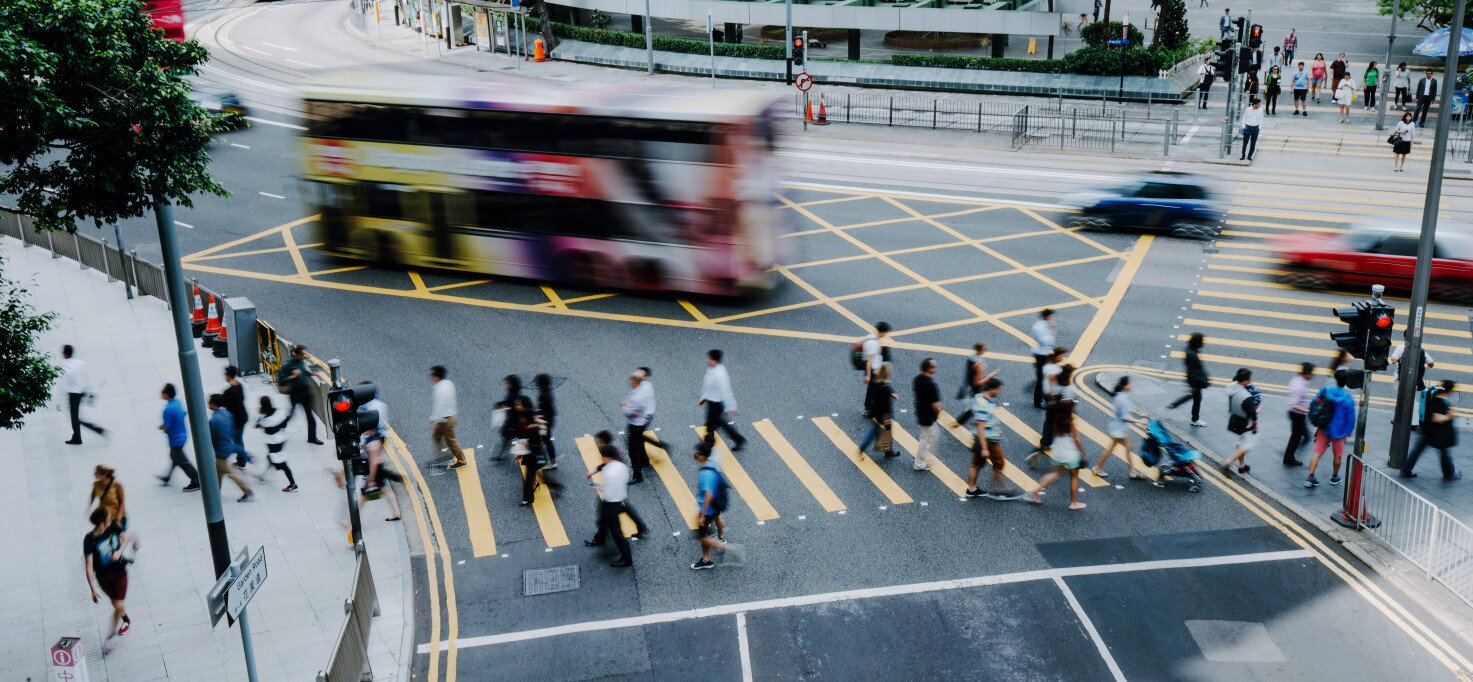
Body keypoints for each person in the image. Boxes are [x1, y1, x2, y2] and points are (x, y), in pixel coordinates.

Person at [83, 508, 133, 653]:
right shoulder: (89, 539)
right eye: (109, 518)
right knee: (116, 605)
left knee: (118, 604)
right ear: (102, 523)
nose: (111, 519)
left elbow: (126, 538)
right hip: (104, 578)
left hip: (119, 572)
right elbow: (89, 565)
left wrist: (118, 552)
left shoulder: (113, 526)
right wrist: (92, 589)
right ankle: (120, 626)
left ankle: (117, 630)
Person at [1026, 398, 1087, 510]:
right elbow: (1076, 440)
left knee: (1055, 474)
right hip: (1070, 453)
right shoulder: (1070, 422)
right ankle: (1074, 503)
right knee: (1074, 477)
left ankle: (1035, 492)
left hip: (1058, 451)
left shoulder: (1057, 419)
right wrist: (1082, 453)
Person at [968, 378, 1021, 500]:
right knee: (999, 462)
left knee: (976, 464)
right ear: (991, 389)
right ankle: (998, 489)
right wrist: (985, 448)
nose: (1000, 392)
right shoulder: (983, 404)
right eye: (998, 389)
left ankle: (972, 489)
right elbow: (980, 427)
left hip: (987, 437)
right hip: (988, 440)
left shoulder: (982, 398)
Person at [585, 445, 635, 567]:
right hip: (620, 497)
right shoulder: (621, 466)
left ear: (607, 457)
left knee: (616, 532)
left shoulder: (609, 472)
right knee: (602, 520)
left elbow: (607, 492)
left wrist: (599, 487)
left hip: (611, 502)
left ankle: (627, 559)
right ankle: (600, 539)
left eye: (602, 457)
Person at [1305, 370, 1357, 488]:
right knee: (1337, 455)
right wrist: (1348, 431)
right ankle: (1334, 477)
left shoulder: (1326, 390)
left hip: (1324, 427)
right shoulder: (1348, 398)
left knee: (1317, 452)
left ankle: (1310, 477)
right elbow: (1351, 419)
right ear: (1346, 382)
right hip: (1339, 432)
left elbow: (1314, 402)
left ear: (1335, 379)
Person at [1089, 376, 1148, 479]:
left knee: (1128, 448)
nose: (1132, 385)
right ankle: (1097, 467)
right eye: (1130, 383)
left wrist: (1140, 414)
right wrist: (1139, 421)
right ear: (1125, 386)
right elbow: (1125, 417)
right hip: (1119, 429)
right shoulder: (1121, 399)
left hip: (1120, 428)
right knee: (1112, 449)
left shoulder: (1123, 395)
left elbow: (1129, 408)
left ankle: (1132, 471)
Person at [691, 443, 738, 570]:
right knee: (718, 517)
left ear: (703, 456)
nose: (694, 454)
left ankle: (711, 557)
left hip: (707, 508)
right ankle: (721, 537)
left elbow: (708, 494)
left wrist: (703, 514)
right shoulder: (712, 464)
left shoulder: (705, 474)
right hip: (716, 505)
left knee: (702, 537)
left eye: (697, 453)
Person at [357, 389, 403, 521]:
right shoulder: (373, 438)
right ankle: (396, 512)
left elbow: (374, 461)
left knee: (365, 496)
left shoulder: (373, 442)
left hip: (375, 470)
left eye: (365, 428)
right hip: (378, 468)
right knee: (384, 489)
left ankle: (352, 522)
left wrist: (370, 479)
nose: (363, 430)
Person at [1402, 380, 1460, 480]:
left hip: (1428, 430)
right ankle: (1449, 473)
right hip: (1436, 432)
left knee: (1419, 449)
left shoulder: (1438, 396)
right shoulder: (1439, 401)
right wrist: (1448, 416)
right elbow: (1436, 418)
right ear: (1449, 391)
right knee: (1444, 452)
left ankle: (1406, 469)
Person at [208, 394, 255, 502]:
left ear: (214, 404)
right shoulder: (226, 413)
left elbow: (209, 437)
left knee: (229, 472)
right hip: (228, 445)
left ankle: (247, 491)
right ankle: (216, 490)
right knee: (218, 471)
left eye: (209, 402)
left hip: (221, 450)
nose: (208, 403)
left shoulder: (214, 420)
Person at [700, 349, 746, 451]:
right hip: (711, 402)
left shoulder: (720, 374)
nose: (707, 360)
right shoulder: (711, 369)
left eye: (709, 358)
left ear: (714, 360)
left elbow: (726, 392)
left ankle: (708, 446)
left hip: (717, 404)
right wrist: (704, 398)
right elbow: (708, 385)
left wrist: (732, 407)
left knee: (713, 424)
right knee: (716, 423)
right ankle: (738, 439)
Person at [58, 345, 106, 445]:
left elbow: (63, 386)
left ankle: (90, 433)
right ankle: (78, 436)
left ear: (65, 353)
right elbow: (86, 378)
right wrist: (90, 392)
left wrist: (60, 401)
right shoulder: (80, 363)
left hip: (73, 394)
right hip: (82, 392)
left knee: (75, 418)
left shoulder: (65, 368)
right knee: (76, 417)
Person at [157, 384, 200, 492]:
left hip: (175, 439)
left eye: (162, 392)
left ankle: (196, 479)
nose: (161, 394)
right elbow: (183, 413)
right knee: (175, 456)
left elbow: (167, 426)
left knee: (181, 460)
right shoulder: (177, 402)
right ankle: (167, 477)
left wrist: (161, 427)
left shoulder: (167, 410)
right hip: (183, 434)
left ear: (167, 395)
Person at [1029, 347, 1070, 459]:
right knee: (1053, 421)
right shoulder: (1052, 370)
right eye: (1062, 355)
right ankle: (1045, 444)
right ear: (1056, 356)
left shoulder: (1050, 365)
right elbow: (1052, 381)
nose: (1063, 357)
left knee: (1052, 420)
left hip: (1052, 397)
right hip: (1054, 397)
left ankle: (1047, 442)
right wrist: (1052, 396)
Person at [277, 345, 322, 445]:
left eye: (304, 354)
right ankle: (279, 427)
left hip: (305, 391)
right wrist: (292, 376)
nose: (303, 356)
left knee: (310, 416)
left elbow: (305, 371)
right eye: (302, 354)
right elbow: (281, 379)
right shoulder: (287, 364)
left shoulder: (301, 361)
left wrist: (312, 374)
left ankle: (312, 437)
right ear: (296, 354)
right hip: (295, 392)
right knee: (292, 413)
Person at [254, 396, 298, 492]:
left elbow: (257, 425)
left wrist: (259, 414)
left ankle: (293, 484)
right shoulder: (279, 412)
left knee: (281, 464)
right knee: (270, 457)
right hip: (281, 439)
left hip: (273, 443)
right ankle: (263, 476)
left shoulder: (265, 419)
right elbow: (285, 422)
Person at [510, 396, 548, 507]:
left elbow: (530, 442)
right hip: (532, 452)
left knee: (528, 478)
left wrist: (520, 451)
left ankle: (527, 499)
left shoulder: (532, 426)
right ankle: (534, 485)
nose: (516, 407)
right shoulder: (524, 417)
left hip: (533, 454)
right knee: (530, 474)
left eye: (518, 405)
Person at [1223, 368, 1260, 476]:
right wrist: (1255, 421)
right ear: (1244, 381)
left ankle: (1242, 465)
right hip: (1245, 422)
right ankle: (1228, 462)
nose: (1250, 381)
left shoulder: (1231, 387)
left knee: (1241, 441)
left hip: (1234, 419)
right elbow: (1253, 413)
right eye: (1249, 379)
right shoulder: (1246, 397)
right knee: (1248, 445)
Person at [429, 366, 468, 470]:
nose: (430, 377)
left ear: (436, 377)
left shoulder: (439, 389)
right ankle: (445, 454)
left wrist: (435, 421)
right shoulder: (448, 383)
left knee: (451, 440)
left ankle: (462, 460)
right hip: (448, 417)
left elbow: (439, 406)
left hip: (445, 419)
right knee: (436, 436)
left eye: (432, 375)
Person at [621, 368, 656, 484]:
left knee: (632, 450)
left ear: (636, 381)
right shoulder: (646, 385)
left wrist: (624, 405)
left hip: (636, 424)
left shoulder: (637, 398)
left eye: (631, 379)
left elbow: (628, 412)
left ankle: (638, 475)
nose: (629, 381)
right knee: (640, 440)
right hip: (645, 420)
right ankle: (645, 461)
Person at [858, 362, 900, 458]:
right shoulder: (885, 386)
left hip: (875, 411)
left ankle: (866, 447)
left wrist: (891, 393)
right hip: (883, 414)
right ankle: (887, 452)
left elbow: (887, 389)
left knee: (876, 430)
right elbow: (885, 404)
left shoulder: (878, 380)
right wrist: (886, 418)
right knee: (885, 430)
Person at [1167, 333, 1209, 426]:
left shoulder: (1190, 349)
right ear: (1197, 343)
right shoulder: (1192, 355)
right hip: (1195, 381)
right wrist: (1194, 385)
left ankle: (1174, 405)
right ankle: (1193, 419)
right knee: (1196, 398)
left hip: (1194, 381)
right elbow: (1192, 370)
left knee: (1194, 397)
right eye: (1201, 342)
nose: (1203, 344)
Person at [913, 358, 944, 472]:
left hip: (920, 412)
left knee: (926, 437)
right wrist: (938, 412)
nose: (935, 368)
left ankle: (920, 459)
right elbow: (936, 406)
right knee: (930, 437)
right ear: (928, 369)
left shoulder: (917, 379)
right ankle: (919, 462)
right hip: (928, 416)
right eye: (934, 367)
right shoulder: (931, 385)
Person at [1283, 363, 1314, 467]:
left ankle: (1303, 439)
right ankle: (1288, 458)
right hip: (1297, 414)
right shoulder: (1299, 386)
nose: (1312, 376)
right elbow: (1294, 405)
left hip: (1299, 414)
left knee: (1303, 434)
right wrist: (1307, 410)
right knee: (1295, 437)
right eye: (1311, 374)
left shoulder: (1298, 380)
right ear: (1306, 374)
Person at [222, 366, 251, 468]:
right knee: (238, 439)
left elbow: (224, 404)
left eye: (225, 374)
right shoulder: (239, 386)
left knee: (237, 440)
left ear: (228, 375)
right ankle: (242, 459)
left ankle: (244, 459)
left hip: (235, 420)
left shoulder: (228, 392)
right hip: (243, 416)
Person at [493, 375, 524, 461]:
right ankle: (501, 455)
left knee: (509, 437)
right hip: (513, 421)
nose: (506, 385)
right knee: (508, 437)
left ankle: (501, 455)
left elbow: (513, 407)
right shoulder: (513, 393)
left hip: (513, 421)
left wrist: (502, 405)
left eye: (508, 383)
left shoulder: (514, 395)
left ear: (512, 384)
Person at [1030, 309, 1057, 407]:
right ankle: (1038, 402)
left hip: (1045, 354)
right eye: (1051, 316)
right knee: (1041, 379)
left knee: (1046, 376)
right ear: (1047, 316)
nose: (1053, 319)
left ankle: (1045, 397)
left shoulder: (1044, 325)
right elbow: (1047, 341)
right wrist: (1052, 329)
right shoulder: (1039, 327)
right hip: (1041, 355)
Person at [88, 465, 127, 530]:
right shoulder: (96, 484)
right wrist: (90, 505)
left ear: (103, 475)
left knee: (119, 536)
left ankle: (131, 538)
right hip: (104, 516)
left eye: (96, 473)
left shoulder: (117, 485)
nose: (94, 474)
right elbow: (93, 495)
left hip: (116, 516)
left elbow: (122, 502)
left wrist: (119, 517)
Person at [533, 373, 559, 469]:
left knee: (546, 440)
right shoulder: (547, 392)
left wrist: (538, 417)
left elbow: (547, 411)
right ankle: (550, 460)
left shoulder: (544, 395)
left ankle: (552, 462)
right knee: (545, 439)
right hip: (547, 421)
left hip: (545, 422)